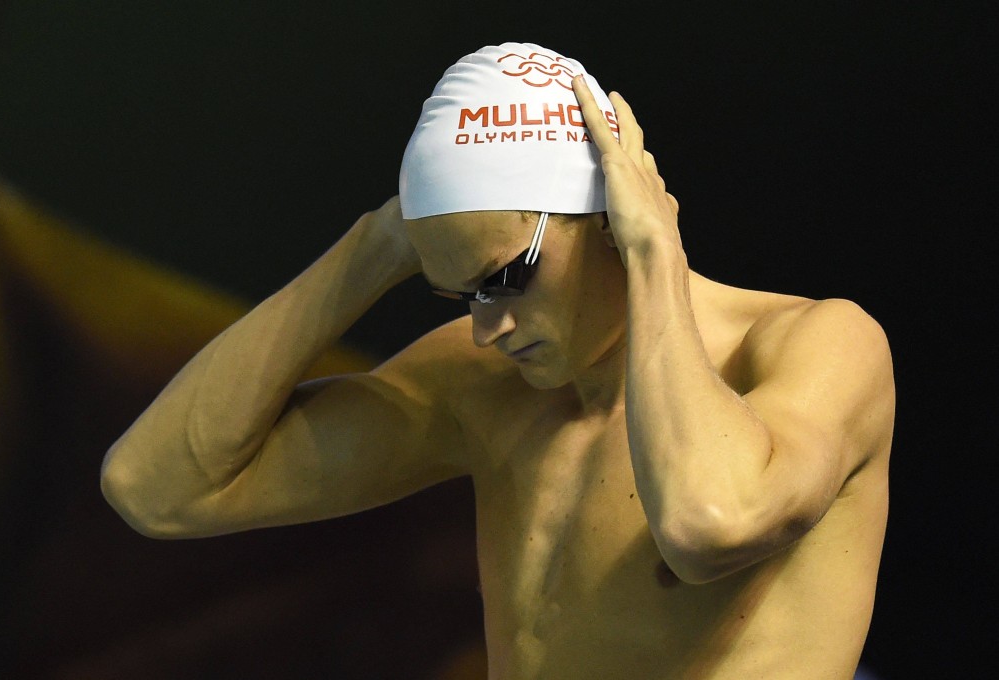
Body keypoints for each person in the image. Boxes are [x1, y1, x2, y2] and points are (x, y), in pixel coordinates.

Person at [101, 43, 894, 678]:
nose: (489, 328)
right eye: (464, 294)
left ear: (609, 212)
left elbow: (705, 522)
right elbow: (156, 489)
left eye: (507, 277)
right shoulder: (483, 385)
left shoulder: (817, 346)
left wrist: (656, 252)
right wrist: (380, 243)